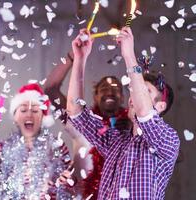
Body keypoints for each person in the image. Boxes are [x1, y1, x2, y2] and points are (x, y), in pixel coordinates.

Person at [65, 28, 180, 199]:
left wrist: (128, 55)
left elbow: (144, 113)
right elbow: (75, 112)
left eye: (145, 92)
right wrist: (80, 59)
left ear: (161, 106)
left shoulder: (168, 140)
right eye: (133, 90)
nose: (134, 96)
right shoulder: (116, 141)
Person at [44, 52, 130, 199]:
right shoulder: (82, 123)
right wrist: (73, 57)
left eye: (115, 89)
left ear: (122, 97)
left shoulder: (133, 128)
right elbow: (51, 89)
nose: (109, 92)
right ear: (95, 96)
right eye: (103, 89)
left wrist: (135, 128)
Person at [0, 83, 75, 199]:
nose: (29, 115)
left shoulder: (57, 146)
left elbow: (72, 183)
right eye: (23, 110)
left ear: (43, 116)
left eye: (35, 111)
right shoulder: (5, 147)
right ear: (15, 117)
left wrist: (67, 180)